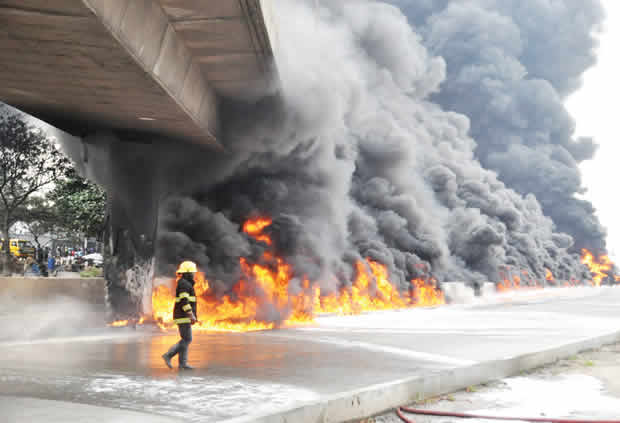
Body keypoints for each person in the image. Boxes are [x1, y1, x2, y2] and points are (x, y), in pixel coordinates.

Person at [162, 261, 199, 370]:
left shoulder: (185, 283)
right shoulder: (184, 284)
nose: (194, 274)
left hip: (183, 316)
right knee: (187, 339)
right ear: (188, 273)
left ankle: (183, 364)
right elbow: (184, 301)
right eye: (193, 272)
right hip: (183, 316)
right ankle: (168, 355)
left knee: (185, 339)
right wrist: (190, 314)